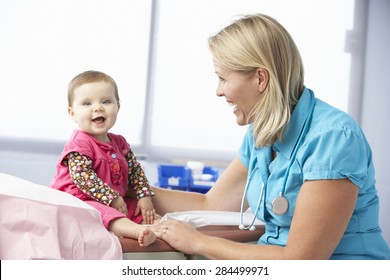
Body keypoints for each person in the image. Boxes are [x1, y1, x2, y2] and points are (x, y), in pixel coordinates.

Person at [152, 13, 390, 259]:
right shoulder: (261, 133)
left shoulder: (333, 138)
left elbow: (300, 261)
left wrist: (199, 243)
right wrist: (132, 187)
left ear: (260, 78)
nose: (218, 91)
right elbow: (210, 205)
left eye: (223, 78)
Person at [50, 70, 157, 246]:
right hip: (78, 201)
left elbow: (135, 171)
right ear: (72, 113)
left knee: (140, 210)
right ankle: (138, 231)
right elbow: (83, 178)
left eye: (106, 101)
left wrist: (144, 195)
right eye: (86, 103)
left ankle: (159, 225)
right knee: (107, 214)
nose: (97, 107)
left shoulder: (119, 142)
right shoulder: (80, 143)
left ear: (118, 107)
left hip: (112, 200)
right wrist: (112, 198)